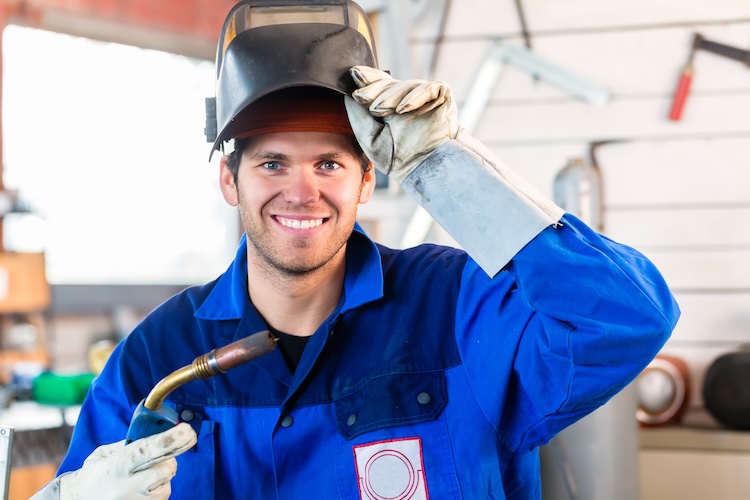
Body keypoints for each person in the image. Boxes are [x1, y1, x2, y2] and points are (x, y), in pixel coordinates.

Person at [33, 0, 680, 498]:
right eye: (272, 164)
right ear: (229, 180)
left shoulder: (453, 308)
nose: (302, 190)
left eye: (330, 164)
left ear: (369, 176)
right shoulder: (160, 357)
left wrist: (448, 166)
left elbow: (628, 317)